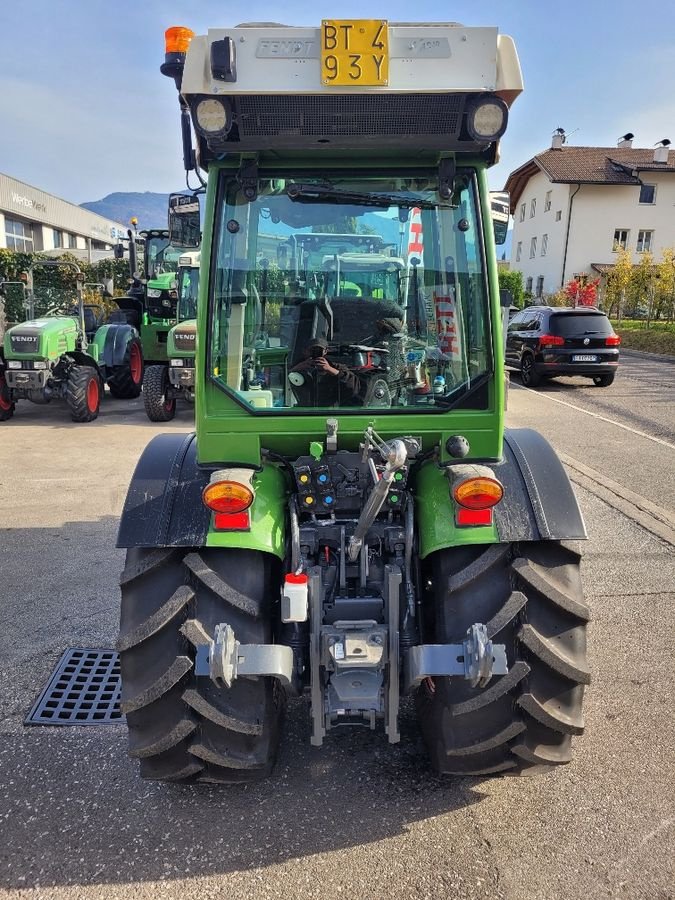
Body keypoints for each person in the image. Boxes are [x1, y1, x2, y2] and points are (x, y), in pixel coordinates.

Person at [289, 337, 364, 406]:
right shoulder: (295, 367)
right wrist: (296, 369)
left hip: (328, 413)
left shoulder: (337, 368)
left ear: (325, 351)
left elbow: (353, 389)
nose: (315, 353)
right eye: (312, 350)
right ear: (304, 351)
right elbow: (280, 384)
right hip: (301, 413)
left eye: (319, 351)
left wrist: (330, 369)